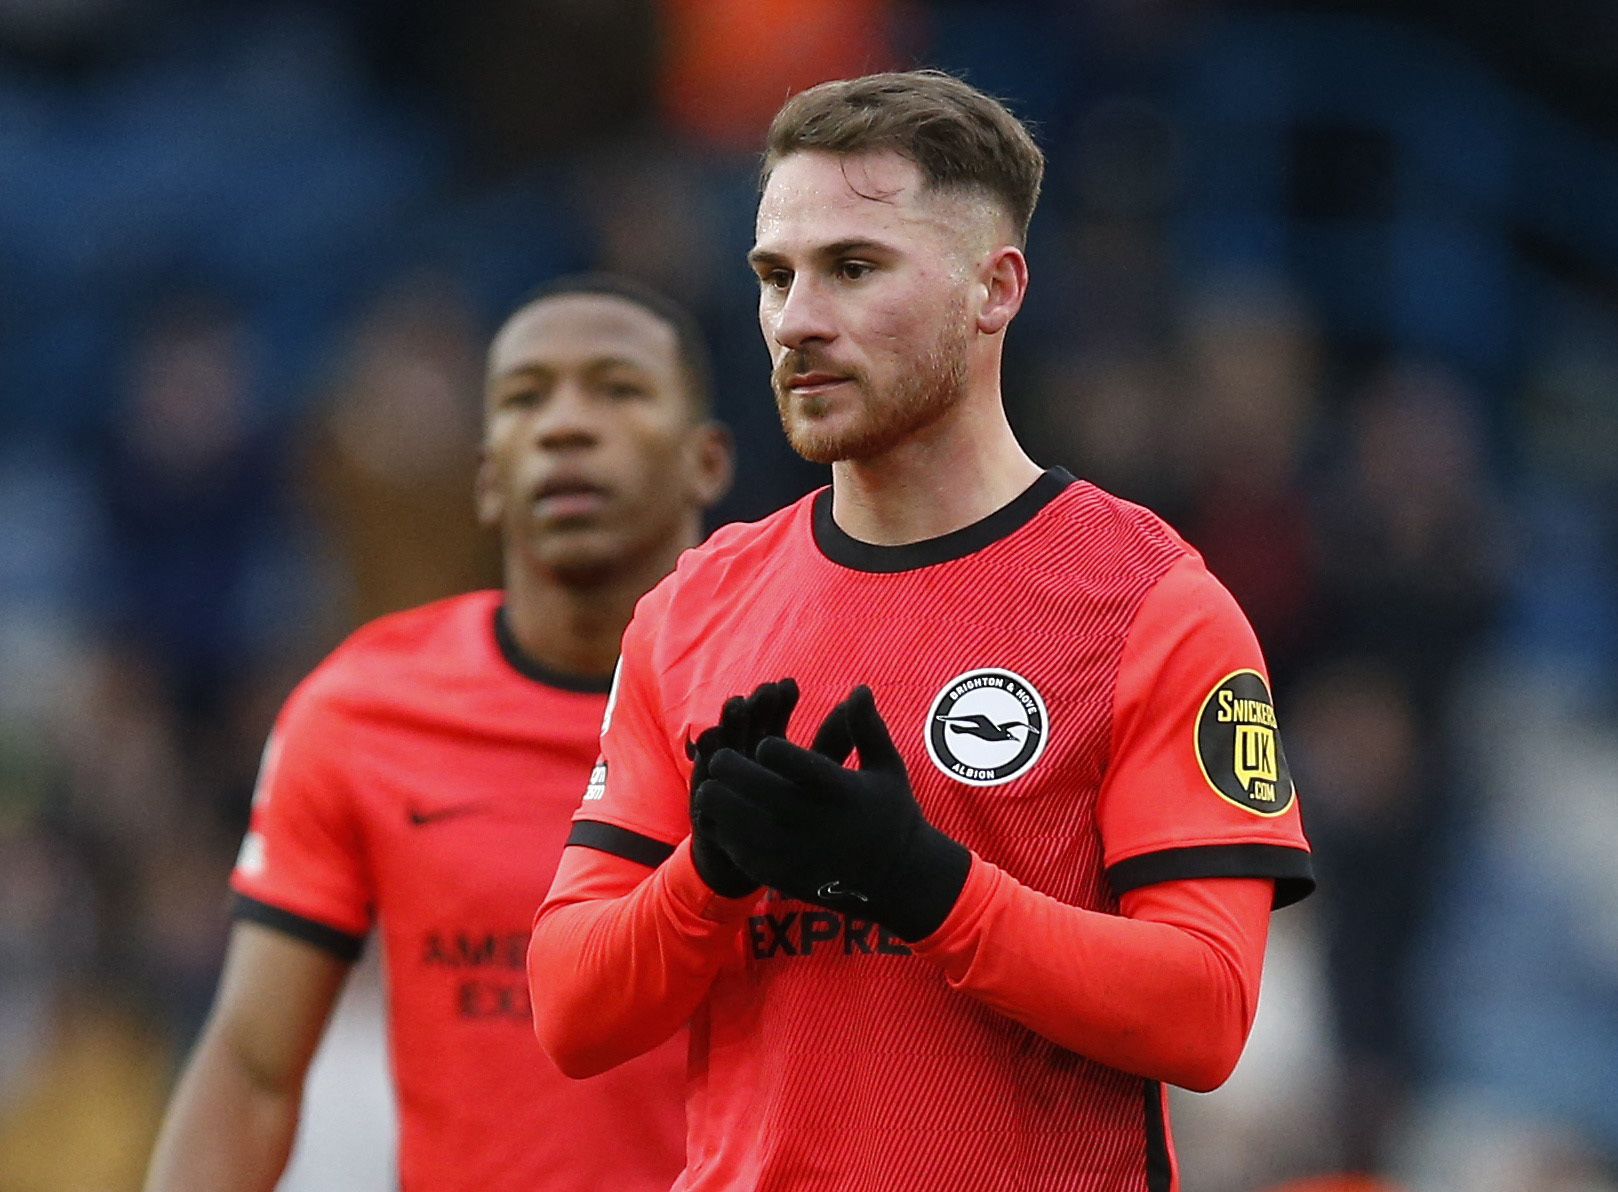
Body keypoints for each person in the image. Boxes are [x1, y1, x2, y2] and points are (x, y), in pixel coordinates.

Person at [528, 71, 1315, 1191]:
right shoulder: (691, 611)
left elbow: (1206, 1011)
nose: (798, 319)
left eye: (853, 268)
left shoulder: (1153, 606)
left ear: (993, 290)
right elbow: (569, 1008)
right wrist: (709, 873)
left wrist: (920, 884)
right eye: (774, 276)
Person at [143, 274, 734, 1192]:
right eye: (524, 398)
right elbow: (253, 1071)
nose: (566, 425)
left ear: (707, 460)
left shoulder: (796, 701)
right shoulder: (361, 713)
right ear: (489, 473)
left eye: (617, 389)